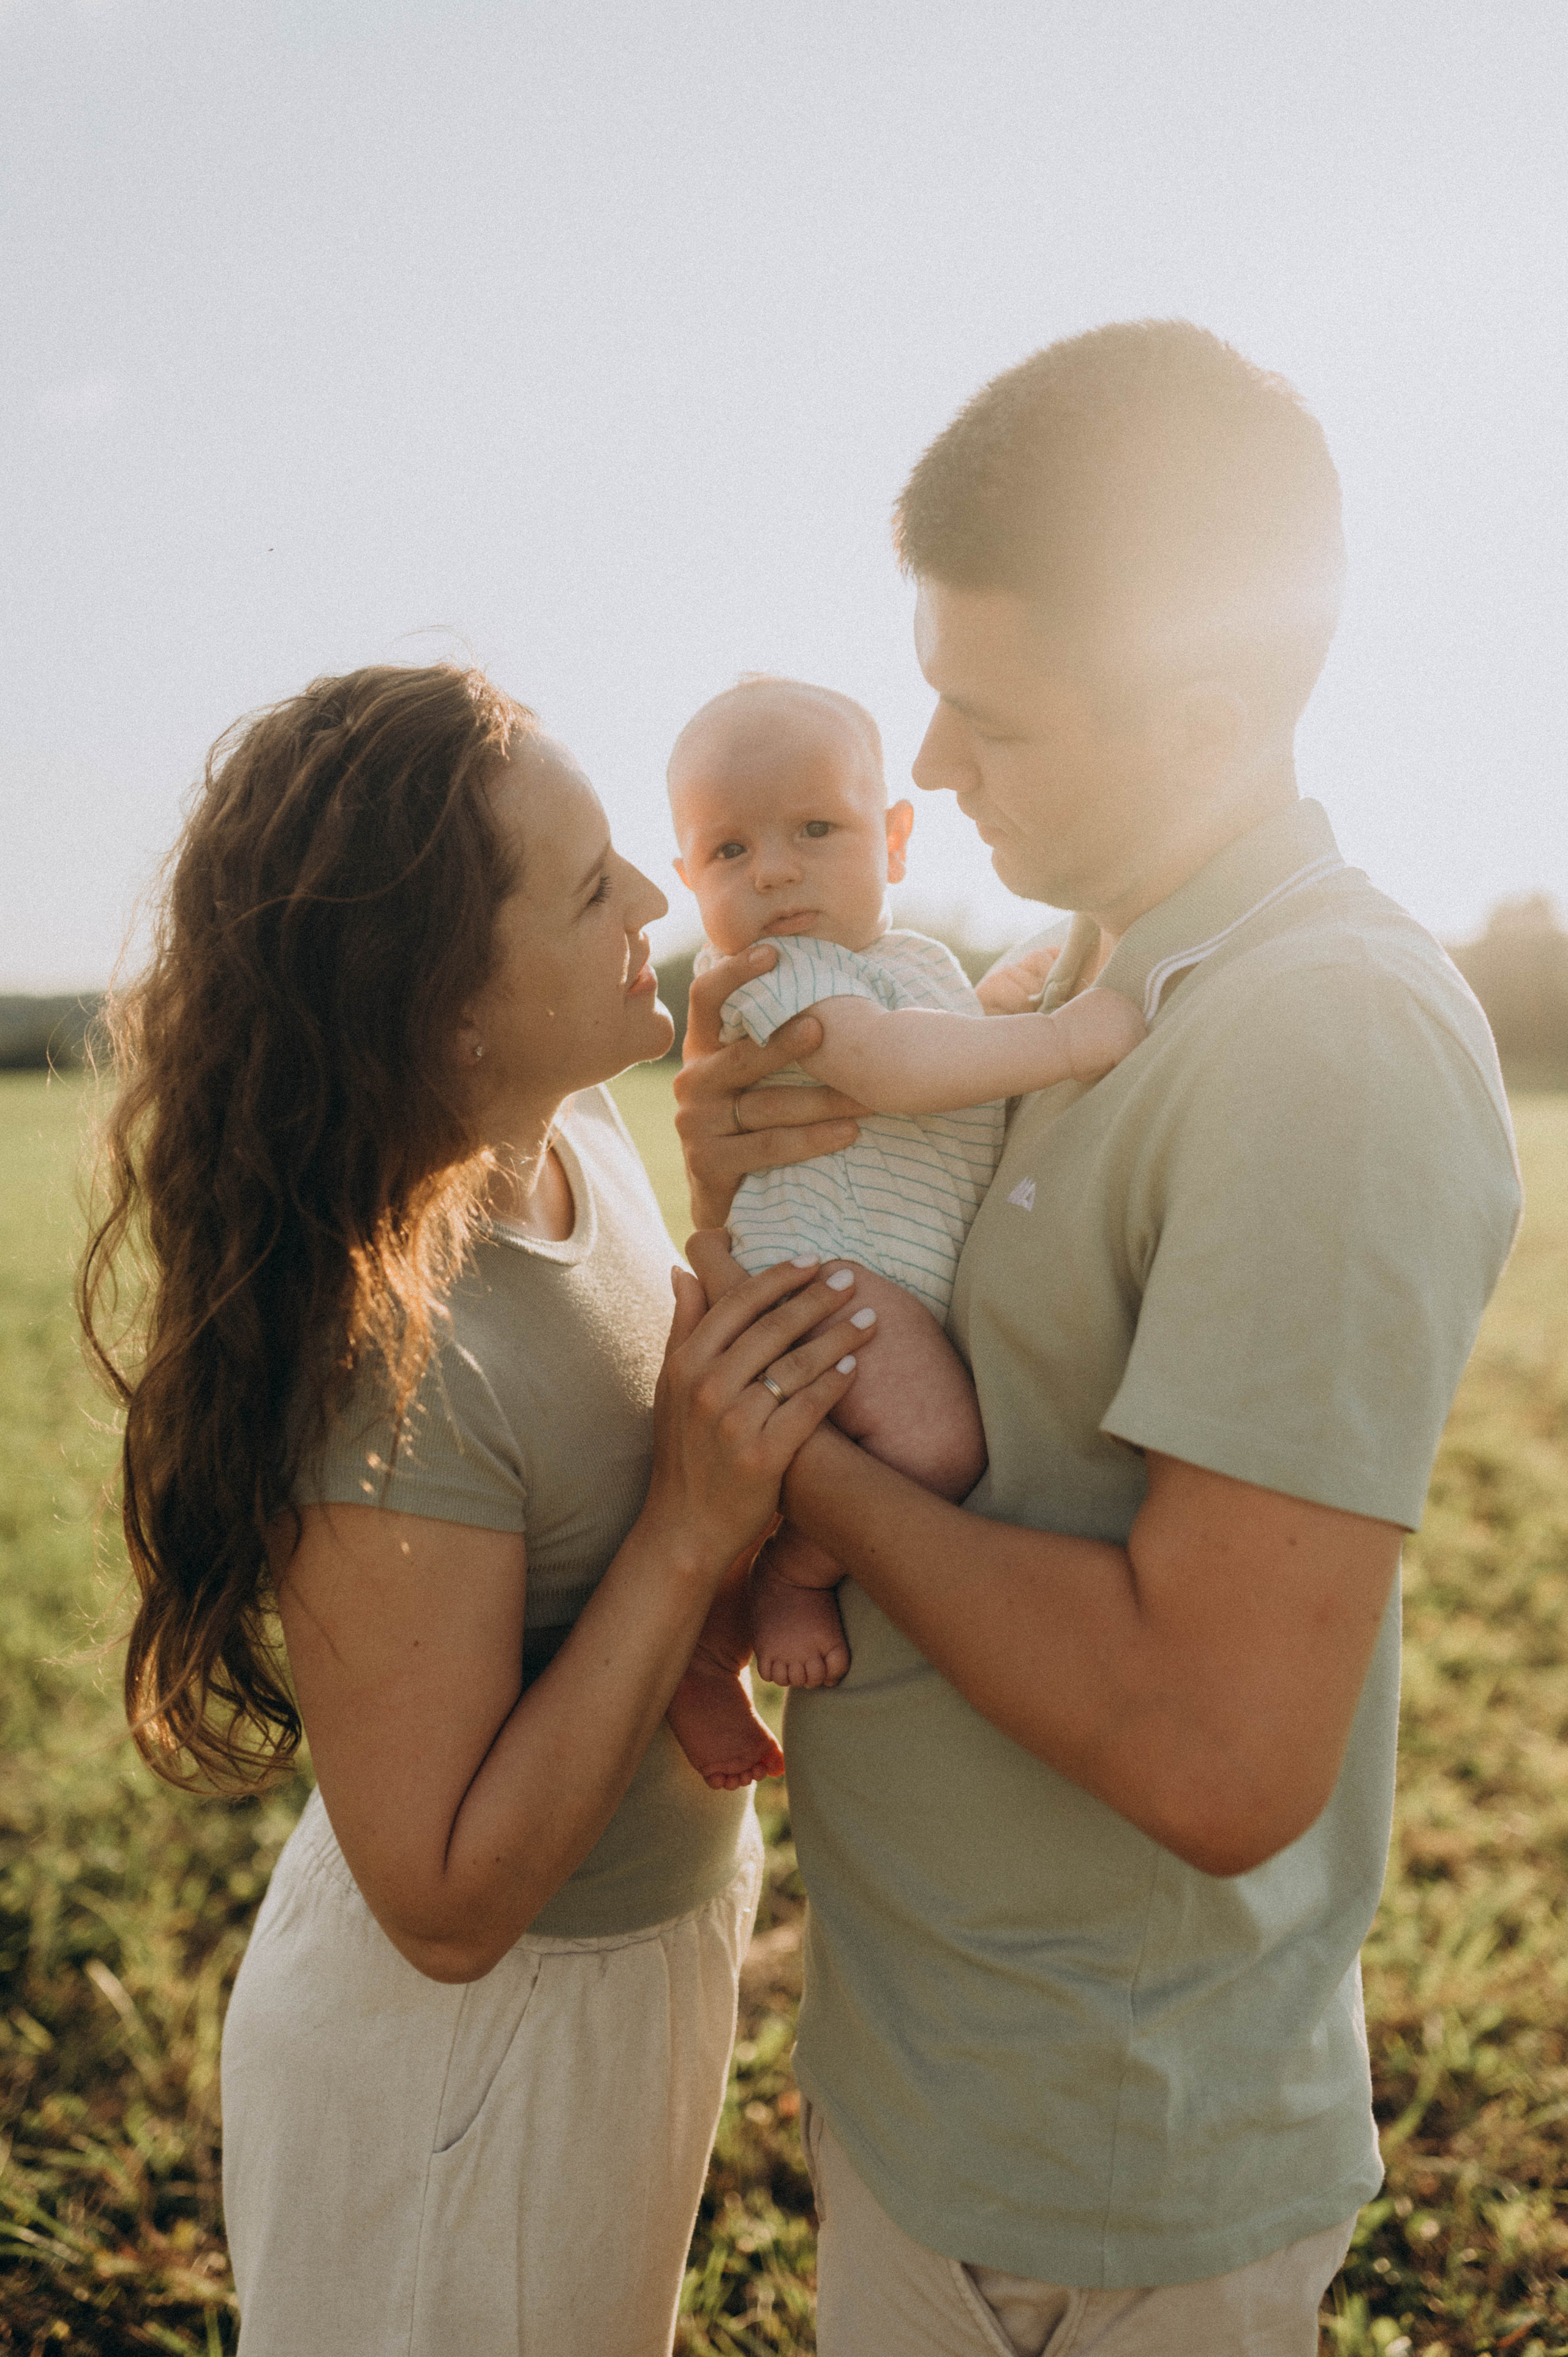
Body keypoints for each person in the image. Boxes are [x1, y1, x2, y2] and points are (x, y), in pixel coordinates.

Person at [673, 322, 1523, 2355]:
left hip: (1104, 2192)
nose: (934, 769)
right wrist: (737, 1192)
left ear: (1208, 710)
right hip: (927, 2092)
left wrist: (797, 1464)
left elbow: (1217, 1750)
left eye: (989, 718)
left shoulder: (1320, 1034)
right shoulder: (1061, 975)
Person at [78, 663, 879, 2357]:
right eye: (594, 890)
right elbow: (439, 1904)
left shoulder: (571, 1123)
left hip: (639, 1962)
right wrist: (688, 1526)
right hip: (472, 2058)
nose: (664, 902)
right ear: (446, 1009)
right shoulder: (380, 1359)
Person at [666, 673, 1142, 1690]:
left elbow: (939, 1070)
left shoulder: (902, 961)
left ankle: (711, 1652)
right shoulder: (778, 969)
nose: (777, 873)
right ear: (688, 876)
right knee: (934, 1450)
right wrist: (1056, 1037)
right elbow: (888, 1067)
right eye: (731, 850)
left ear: (892, 838)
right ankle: (793, 1578)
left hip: (877, 1274)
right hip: (829, 1278)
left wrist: (990, 1008)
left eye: (815, 830)